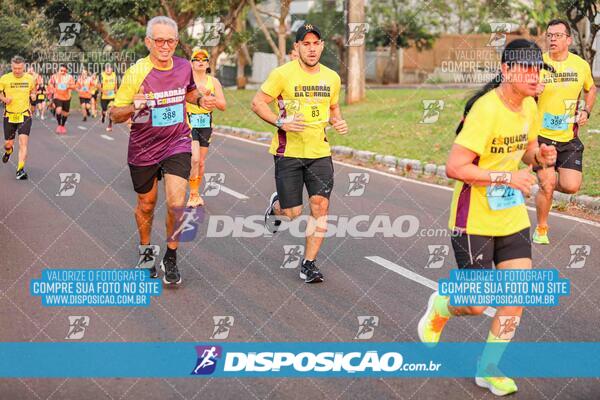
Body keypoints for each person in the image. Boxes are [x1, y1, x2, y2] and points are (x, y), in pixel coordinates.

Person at [416, 39, 557, 396]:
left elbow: (525, 153)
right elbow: (454, 167)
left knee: (516, 294)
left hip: (510, 215)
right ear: (506, 70)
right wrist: (506, 177)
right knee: (476, 304)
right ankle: (442, 306)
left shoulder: (530, 107)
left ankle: (488, 367)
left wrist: (539, 156)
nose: (533, 75)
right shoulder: (485, 110)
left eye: (537, 68)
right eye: (525, 67)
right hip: (473, 218)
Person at [110, 16, 215, 285]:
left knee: (178, 203)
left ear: (177, 42)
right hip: (143, 147)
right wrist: (136, 106)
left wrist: (202, 99)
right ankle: (146, 252)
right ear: (148, 42)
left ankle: (171, 255)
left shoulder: (183, 67)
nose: (165, 46)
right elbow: (115, 113)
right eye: (159, 40)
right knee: (146, 205)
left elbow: (189, 92)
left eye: (170, 41)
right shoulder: (137, 72)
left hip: (177, 141)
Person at [251, 23, 348, 283]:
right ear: (297, 47)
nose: (312, 48)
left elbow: (333, 108)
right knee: (292, 213)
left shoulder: (332, 77)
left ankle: (309, 264)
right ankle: (276, 208)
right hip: (288, 152)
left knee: (320, 206)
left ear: (322, 46)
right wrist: (279, 122)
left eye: (316, 43)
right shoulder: (282, 74)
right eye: (306, 43)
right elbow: (257, 103)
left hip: (319, 152)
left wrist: (338, 121)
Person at [533, 19, 597, 244]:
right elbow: (517, 95)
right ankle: (541, 229)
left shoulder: (580, 65)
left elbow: (591, 90)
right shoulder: (537, 65)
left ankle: (544, 185)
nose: (552, 39)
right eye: (549, 35)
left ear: (568, 39)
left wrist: (586, 111)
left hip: (568, 137)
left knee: (571, 186)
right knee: (548, 183)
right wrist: (533, 91)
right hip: (541, 137)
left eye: (558, 35)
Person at [185, 48, 226, 207]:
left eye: (204, 59)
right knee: (194, 159)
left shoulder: (214, 82)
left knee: (201, 162)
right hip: (189, 122)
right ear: (191, 63)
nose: (200, 61)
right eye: (197, 59)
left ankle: (195, 194)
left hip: (205, 124)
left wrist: (211, 99)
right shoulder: (187, 81)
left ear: (208, 63)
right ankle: (192, 195)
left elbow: (223, 105)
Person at [0, 55, 37, 179]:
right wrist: (4, 99)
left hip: (24, 115)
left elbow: (33, 91)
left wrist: (33, 96)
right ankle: (8, 151)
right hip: (9, 116)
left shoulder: (30, 79)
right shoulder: (4, 79)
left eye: (19, 68)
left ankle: (20, 170)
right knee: (8, 144)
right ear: (11, 67)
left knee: (23, 143)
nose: (17, 71)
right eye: (15, 68)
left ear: (24, 67)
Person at [48, 64, 76, 134]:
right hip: (57, 96)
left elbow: (73, 86)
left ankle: (62, 126)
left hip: (67, 97)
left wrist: (68, 86)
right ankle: (58, 125)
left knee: (65, 114)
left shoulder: (69, 77)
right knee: (58, 110)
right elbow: (50, 84)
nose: (63, 72)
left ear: (66, 71)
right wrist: (52, 89)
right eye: (61, 70)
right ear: (58, 70)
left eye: (64, 71)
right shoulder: (54, 76)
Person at [100, 64, 118, 132]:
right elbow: (98, 85)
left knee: (111, 110)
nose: (107, 69)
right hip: (104, 97)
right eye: (106, 68)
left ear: (112, 69)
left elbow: (116, 86)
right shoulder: (102, 75)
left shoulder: (114, 75)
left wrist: (117, 92)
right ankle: (103, 116)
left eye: (109, 68)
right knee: (104, 110)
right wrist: (103, 91)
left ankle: (110, 125)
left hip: (112, 96)